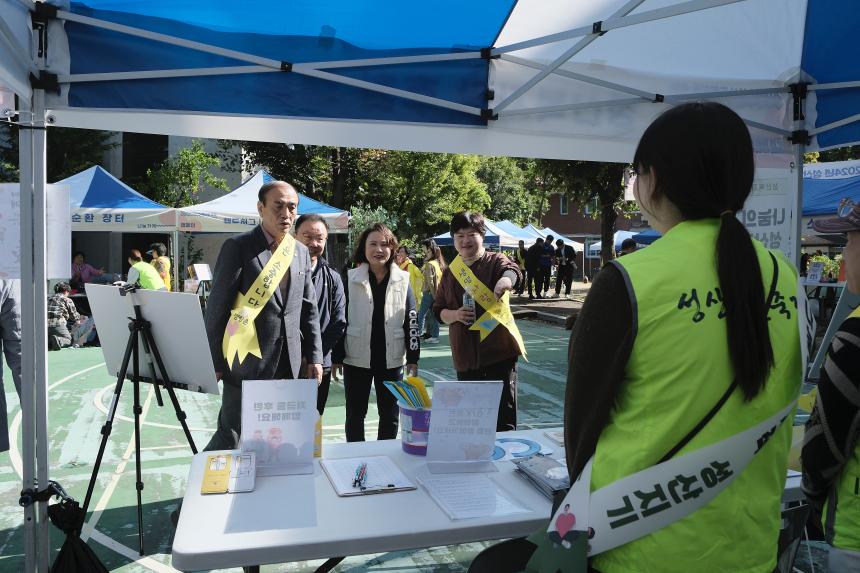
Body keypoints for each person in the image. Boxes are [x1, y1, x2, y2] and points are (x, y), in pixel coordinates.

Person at [471, 102, 803, 572]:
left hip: (638, 545)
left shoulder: (631, 278)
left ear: (656, 179)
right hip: (751, 545)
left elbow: (581, 432)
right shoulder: (785, 278)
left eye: (637, 172)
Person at [204, 180, 323, 451]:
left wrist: (315, 356)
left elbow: (309, 309)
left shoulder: (300, 252)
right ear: (260, 208)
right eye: (277, 206)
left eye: (292, 207)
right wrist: (215, 362)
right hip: (246, 357)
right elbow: (217, 308)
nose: (286, 214)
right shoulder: (238, 246)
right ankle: (206, 483)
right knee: (232, 433)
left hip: (289, 361)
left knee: (279, 435)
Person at [802, 199, 860, 572]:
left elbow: (826, 443)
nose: (844, 256)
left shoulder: (856, 337)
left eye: (850, 242)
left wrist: (810, 495)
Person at [434, 211, 524, 431]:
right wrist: (454, 315)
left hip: (498, 354)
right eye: (459, 235)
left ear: (482, 235)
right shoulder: (450, 273)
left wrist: (505, 281)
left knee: (503, 420)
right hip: (465, 357)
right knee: (473, 422)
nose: (465, 241)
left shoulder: (495, 260)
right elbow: (438, 311)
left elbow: (512, 271)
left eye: (471, 234)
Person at [332, 223, 420, 442]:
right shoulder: (350, 278)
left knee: (390, 415)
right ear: (363, 248)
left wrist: (414, 357)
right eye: (373, 244)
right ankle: (355, 456)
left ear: (393, 249)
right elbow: (339, 318)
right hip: (356, 357)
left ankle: (385, 456)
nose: (378, 249)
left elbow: (412, 319)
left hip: (391, 358)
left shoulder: (403, 279)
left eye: (385, 244)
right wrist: (336, 357)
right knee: (355, 414)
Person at [294, 213, 347, 416]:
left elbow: (338, 322)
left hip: (318, 365)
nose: (314, 243)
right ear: (295, 235)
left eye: (320, 238)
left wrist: (314, 355)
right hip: (284, 364)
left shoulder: (333, 278)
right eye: (307, 236)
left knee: (313, 421)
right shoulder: (279, 273)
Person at [0, 280, 21, 453]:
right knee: (25, 369)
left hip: (13, 282)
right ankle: (38, 439)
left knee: (25, 369)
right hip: (14, 281)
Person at [47, 282, 96, 349]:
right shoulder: (66, 299)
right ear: (66, 291)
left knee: (51, 336)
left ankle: (49, 343)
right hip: (57, 323)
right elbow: (74, 316)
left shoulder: (48, 298)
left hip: (45, 326)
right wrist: (81, 317)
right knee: (68, 339)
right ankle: (59, 340)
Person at [419, 239, 446, 344]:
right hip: (435, 293)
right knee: (434, 315)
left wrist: (434, 296)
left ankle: (418, 334)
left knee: (421, 315)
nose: (423, 250)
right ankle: (435, 336)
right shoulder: (437, 263)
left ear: (429, 248)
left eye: (424, 247)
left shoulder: (430, 264)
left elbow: (430, 282)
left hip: (429, 293)